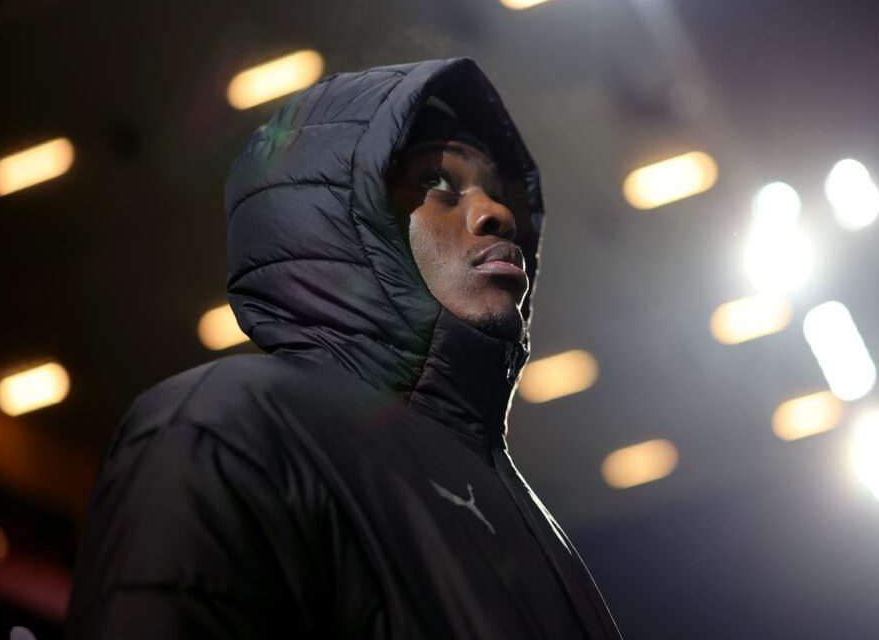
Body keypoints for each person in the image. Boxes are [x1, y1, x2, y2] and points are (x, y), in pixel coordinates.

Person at [65, 58, 623, 638]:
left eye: (497, 190)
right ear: (344, 223)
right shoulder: (228, 425)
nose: (499, 213)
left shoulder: (533, 521)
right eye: (436, 182)